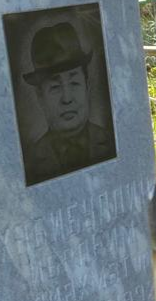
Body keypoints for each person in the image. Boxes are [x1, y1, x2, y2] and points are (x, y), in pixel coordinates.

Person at [21, 20, 115, 185]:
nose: (67, 98)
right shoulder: (30, 161)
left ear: (87, 86)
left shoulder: (109, 140)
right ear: (40, 96)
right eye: (55, 87)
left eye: (74, 83)